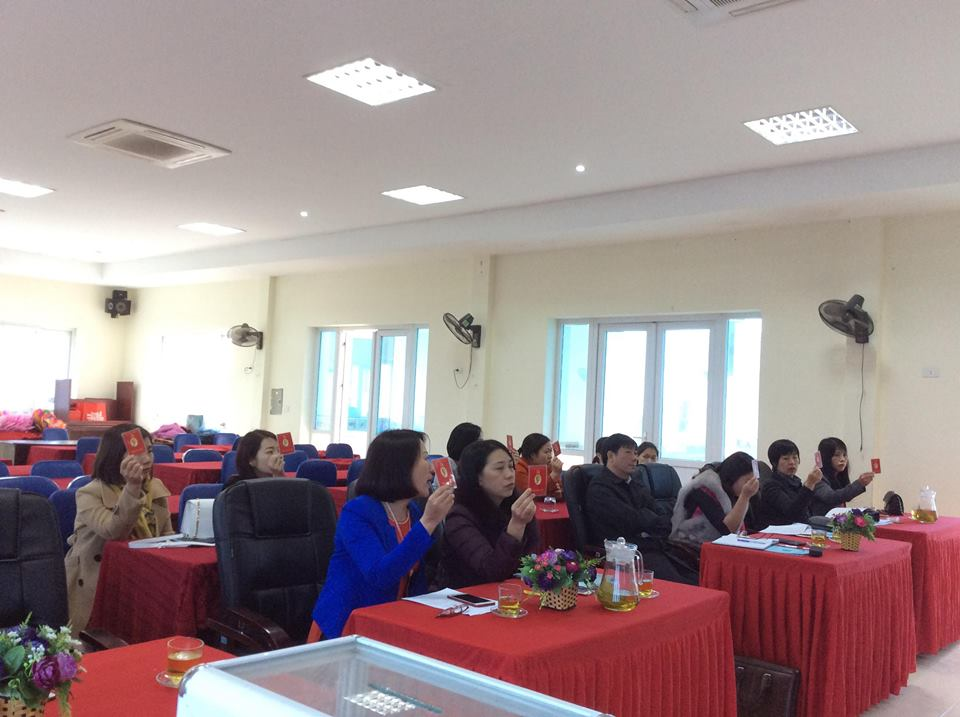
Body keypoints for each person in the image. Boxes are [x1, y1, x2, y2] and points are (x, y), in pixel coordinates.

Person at [309, 429, 454, 639]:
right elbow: (380, 575)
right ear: (400, 467)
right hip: (348, 626)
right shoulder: (357, 512)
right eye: (424, 458)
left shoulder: (412, 511)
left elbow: (417, 576)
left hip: (392, 620)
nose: (432, 469)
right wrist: (428, 522)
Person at [65, 423, 174, 632]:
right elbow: (114, 532)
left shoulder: (155, 487)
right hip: (100, 577)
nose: (146, 459)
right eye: (137, 453)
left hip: (145, 570)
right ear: (115, 457)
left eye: (150, 451)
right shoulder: (89, 493)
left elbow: (166, 535)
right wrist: (132, 488)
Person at [584, 433, 694, 583]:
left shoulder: (633, 482)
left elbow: (656, 509)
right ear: (611, 456)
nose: (634, 458)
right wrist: (651, 518)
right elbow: (632, 520)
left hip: (653, 544)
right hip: (626, 553)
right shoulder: (600, 488)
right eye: (628, 452)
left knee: (696, 575)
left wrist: (655, 519)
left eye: (635, 453)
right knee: (681, 584)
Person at [438, 440, 539, 589]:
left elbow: (531, 558)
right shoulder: (459, 516)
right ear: (477, 476)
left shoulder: (512, 504)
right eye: (499, 468)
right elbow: (492, 571)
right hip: (465, 594)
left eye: (511, 467)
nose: (509, 475)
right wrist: (516, 526)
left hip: (508, 592)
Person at [671, 452, 761, 545]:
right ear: (733, 477)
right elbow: (726, 530)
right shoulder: (704, 489)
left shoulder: (733, 492)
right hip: (692, 544)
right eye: (747, 481)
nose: (751, 485)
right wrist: (744, 497)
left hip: (720, 545)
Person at [759, 439, 822, 525]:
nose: (792, 462)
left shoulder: (796, 482)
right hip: (780, 530)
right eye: (786, 458)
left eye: (795, 457)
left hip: (802, 527)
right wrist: (809, 485)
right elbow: (793, 513)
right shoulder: (771, 485)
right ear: (774, 462)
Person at [809, 437, 873, 516]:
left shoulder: (838, 477)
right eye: (837, 455)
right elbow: (832, 497)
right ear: (826, 457)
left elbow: (844, 497)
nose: (842, 459)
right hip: (821, 522)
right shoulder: (817, 478)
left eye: (844, 455)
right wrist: (859, 483)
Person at [514, 433, 563, 497]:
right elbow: (529, 494)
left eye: (550, 451)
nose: (550, 456)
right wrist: (554, 475)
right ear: (532, 455)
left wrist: (560, 491)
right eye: (546, 452)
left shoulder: (548, 466)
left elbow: (559, 487)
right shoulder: (519, 469)